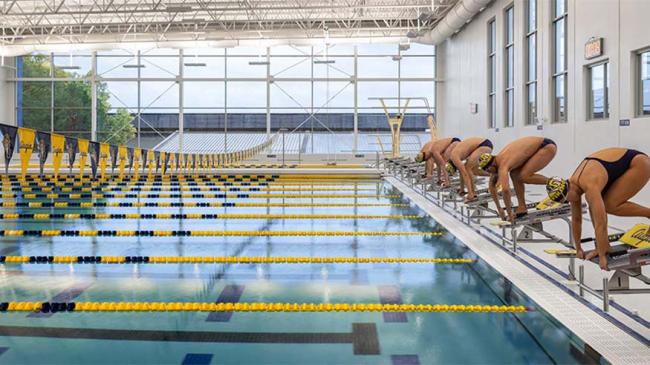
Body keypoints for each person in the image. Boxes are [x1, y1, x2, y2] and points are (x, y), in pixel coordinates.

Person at [546, 148, 649, 270]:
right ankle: (604, 245)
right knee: (596, 206)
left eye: (567, 200)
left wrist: (602, 255)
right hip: (620, 165)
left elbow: (601, 222)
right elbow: (576, 219)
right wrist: (578, 248)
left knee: (610, 205)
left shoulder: (589, 185)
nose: (570, 202)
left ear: (568, 189)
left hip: (639, 163)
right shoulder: (573, 185)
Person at [479, 136, 557, 222]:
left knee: (524, 176)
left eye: (488, 170)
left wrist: (509, 214)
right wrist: (499, 209)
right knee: (515, 174)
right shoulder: (496, 161)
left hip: (546, 146)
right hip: (537, 148)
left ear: (491, 165)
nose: (490, 173)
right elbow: (491, 186)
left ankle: (560, 185)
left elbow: (505, 190)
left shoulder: (503, 165)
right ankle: (522, 207)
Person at [444, 137, 493, 202]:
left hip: (483, 145)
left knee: (467, 168)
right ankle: (494, 174)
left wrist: (470, 193)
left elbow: (465, 174)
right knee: (474, 171)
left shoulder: (454, 157)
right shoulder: (454, 157)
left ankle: (472, 193)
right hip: (482, 145)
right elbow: (461, 172)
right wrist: (462, 189)